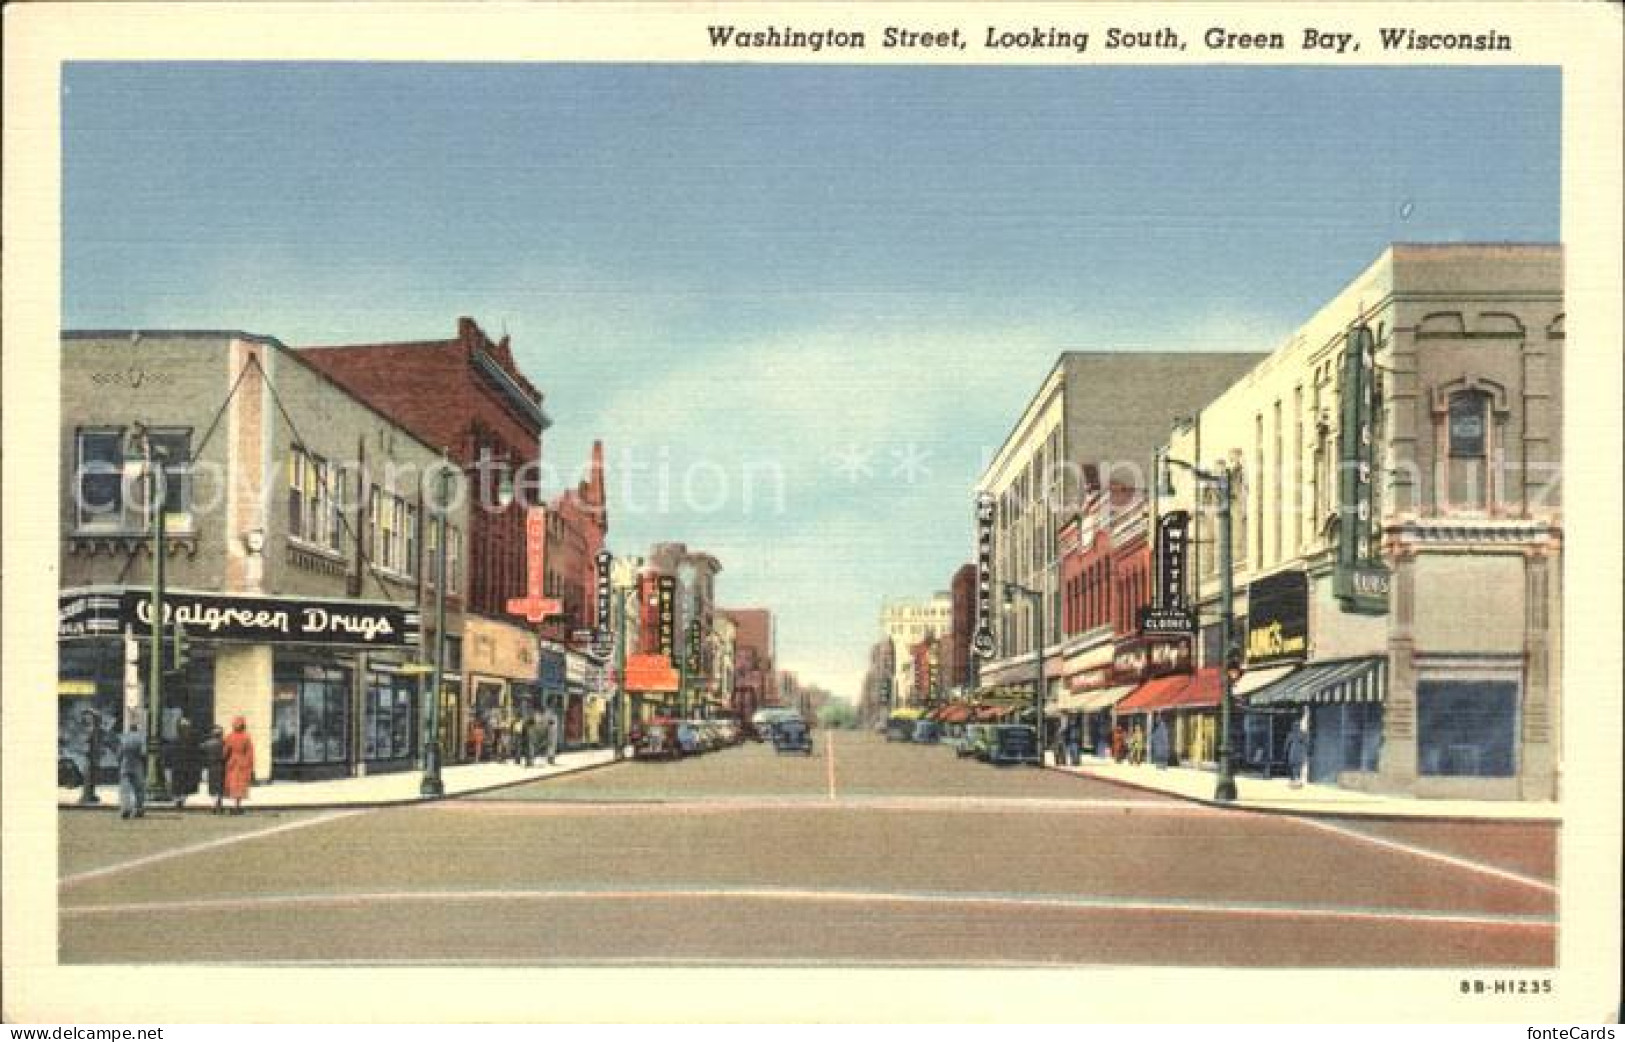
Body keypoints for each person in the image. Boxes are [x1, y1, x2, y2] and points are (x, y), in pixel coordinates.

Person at [221, 716, 255, 815]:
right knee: (241, 785)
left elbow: (225, 751)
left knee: (233, 783)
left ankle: (235, 805)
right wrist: (250, 764)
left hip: (232, 762)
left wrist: (224, 759)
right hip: (243, 762)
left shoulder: (230, 736)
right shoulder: (246, 737)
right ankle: (238, 805)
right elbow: (250, 752)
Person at [169, 716, 202, 808]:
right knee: (182, 783)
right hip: (184, 765)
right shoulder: (191, 740)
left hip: (180, 765)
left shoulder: (175, 740)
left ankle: (179, 799)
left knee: (179, 783)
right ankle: (181, 799)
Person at [117, 724, 147, 819]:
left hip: (125, 765)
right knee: (139, 789)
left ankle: (126, 808)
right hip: (137, 765)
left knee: (125, 789)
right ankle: (139, 809)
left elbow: (119, 753)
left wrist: (121, 761)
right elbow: (143, 753)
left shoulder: (123, 738)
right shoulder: (141, 738)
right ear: (136, 729)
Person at [200, 725, 226, 814]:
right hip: (221, 766)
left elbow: (201, 750)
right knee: (220, 786)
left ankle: (215, 804)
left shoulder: (207, 744)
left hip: (211, 767)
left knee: (213, 787)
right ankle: (218, 804)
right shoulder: (223, 743)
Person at [1284, 716, 1311, 789]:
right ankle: (1297, 782)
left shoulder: (1291, 734)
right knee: (1298, 768)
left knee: (1293, 768)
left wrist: (1285, 753)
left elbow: (1286, 745)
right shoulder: (1303, 734)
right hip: (1300, 754)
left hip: (1293, 753)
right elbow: (1307, 744)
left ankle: (1294, 782)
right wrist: (1307, 752)